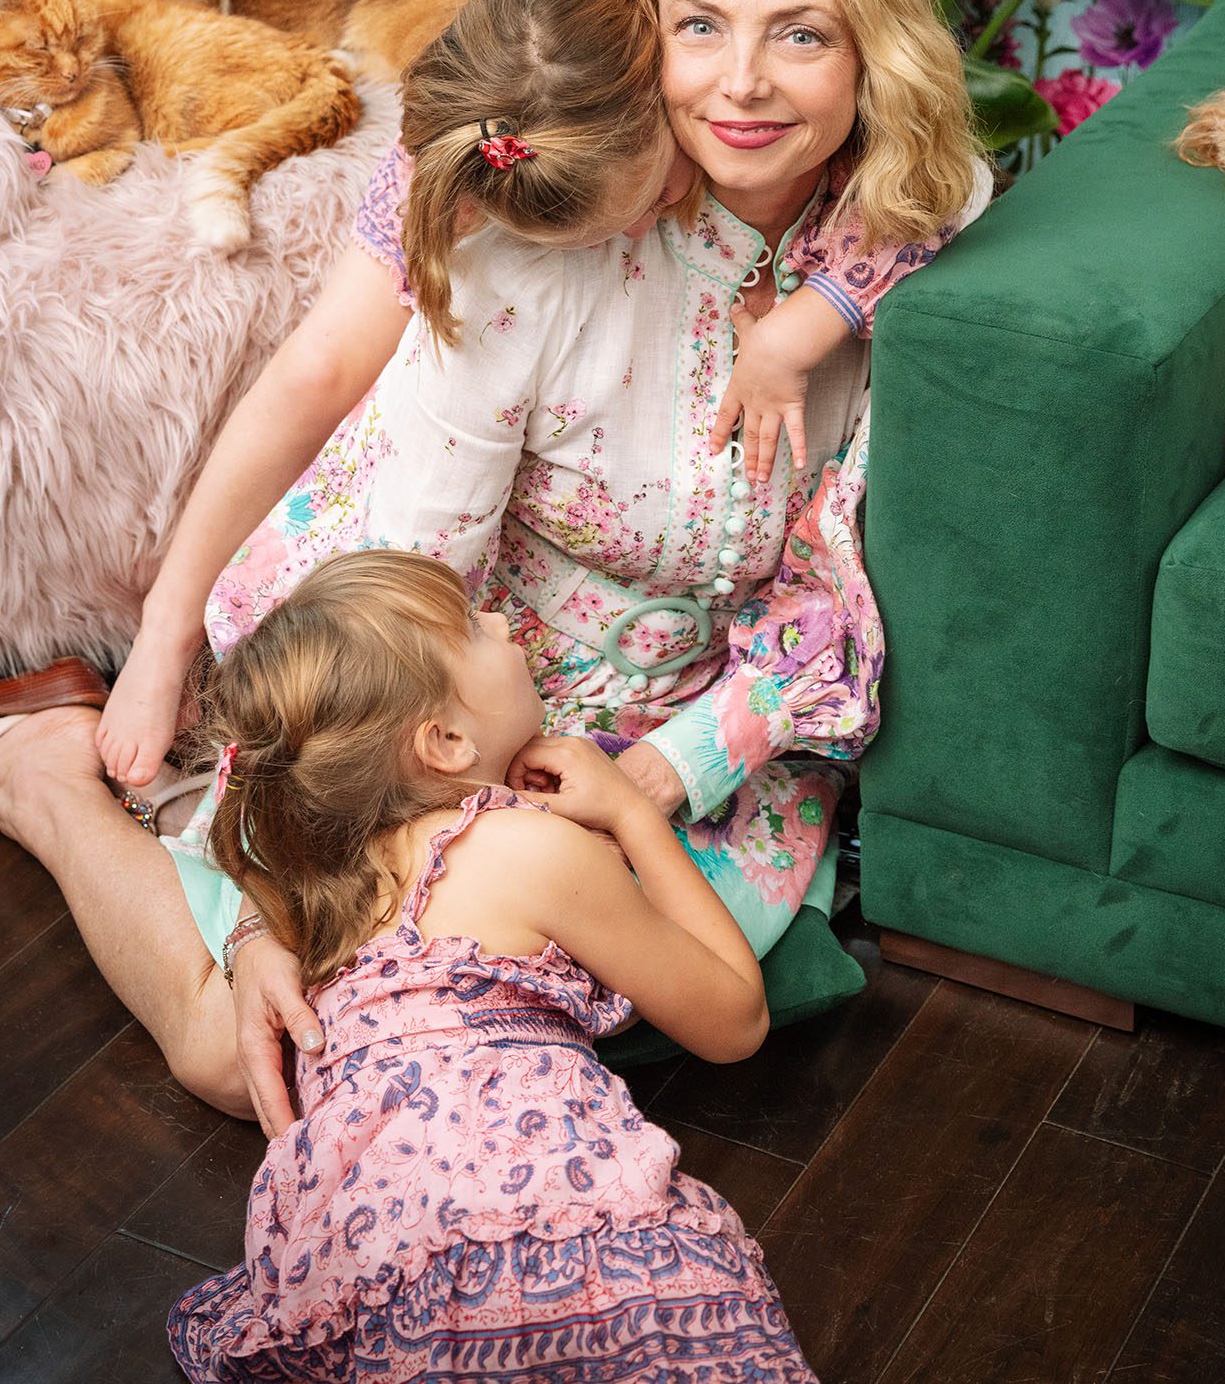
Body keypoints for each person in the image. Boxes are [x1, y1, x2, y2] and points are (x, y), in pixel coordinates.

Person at [0, 0, 987, 1130]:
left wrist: (658, 776)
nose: (741, 84)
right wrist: (294, 895)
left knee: (668, 1013)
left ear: (871, 48)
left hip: (678, 736)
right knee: (255, 1050)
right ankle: (49, 773)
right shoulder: (528, 215)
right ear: (641, 26)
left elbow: (822, 586)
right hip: (441, 691)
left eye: (804, 35)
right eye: (701, 26)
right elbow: (367, 481)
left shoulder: (895, 253)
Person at [167, 547, 818, 1383]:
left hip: (370, 1276)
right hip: (552, 1247)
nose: (506, 622)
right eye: (477, 628)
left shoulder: (316, 889)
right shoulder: (530, 849)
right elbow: (734, 1023)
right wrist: (627, 810)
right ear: (443, 740)